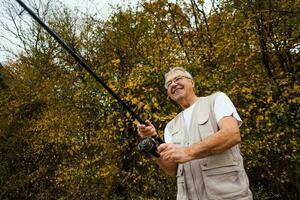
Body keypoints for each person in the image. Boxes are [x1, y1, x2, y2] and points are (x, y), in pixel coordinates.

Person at [137, 67, 252, 200]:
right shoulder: (170, 126)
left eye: (178, 79)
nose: (173, 84)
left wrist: (187, 152)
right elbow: (172, 169)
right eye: (169, 84)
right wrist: (153, 142)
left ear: (192, 82)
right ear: (169, 94)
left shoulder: (216, 99)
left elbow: (232, 134)